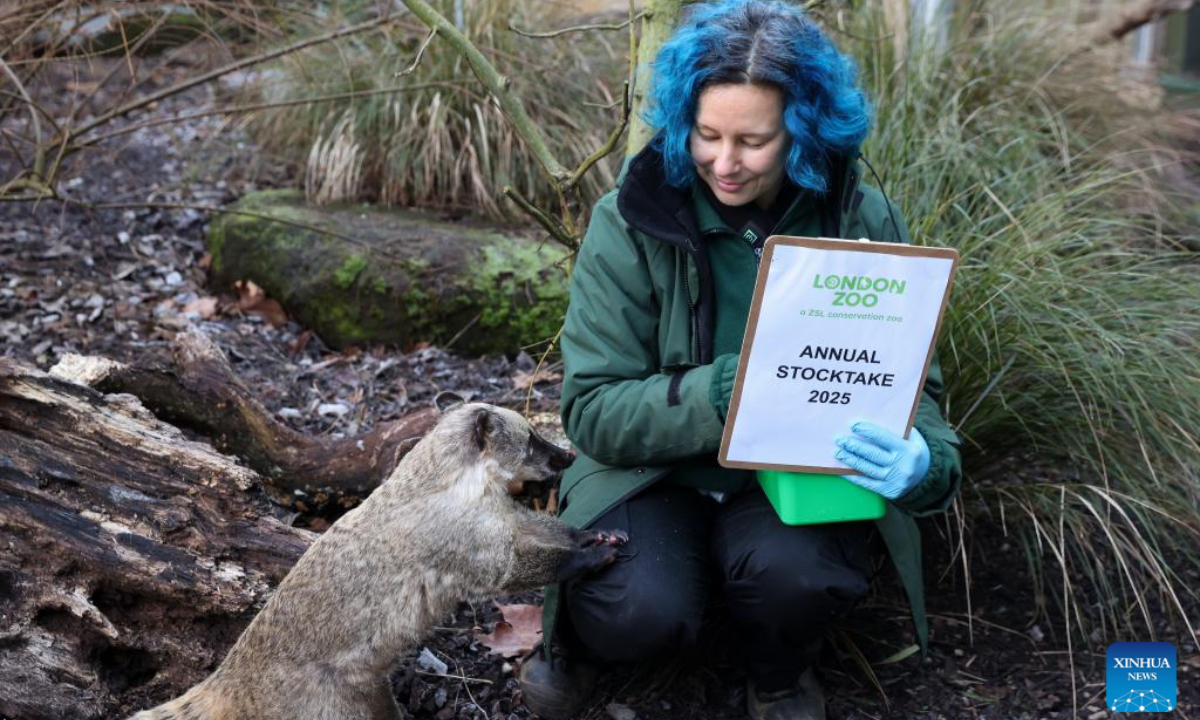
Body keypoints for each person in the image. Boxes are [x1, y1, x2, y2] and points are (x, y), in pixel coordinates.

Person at [519, 2, 963, 719]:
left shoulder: (860, 219)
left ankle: (779, 673)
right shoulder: (629, 219)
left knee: (800, 577)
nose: (724, 164)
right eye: (707, 134)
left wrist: (925, 462)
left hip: (791, 477)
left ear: (804, 131)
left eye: (754, 141)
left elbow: (916, 393)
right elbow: (593, 410)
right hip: (652, 471)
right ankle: (582, 645)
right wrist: (734, 387)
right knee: (638, 607)